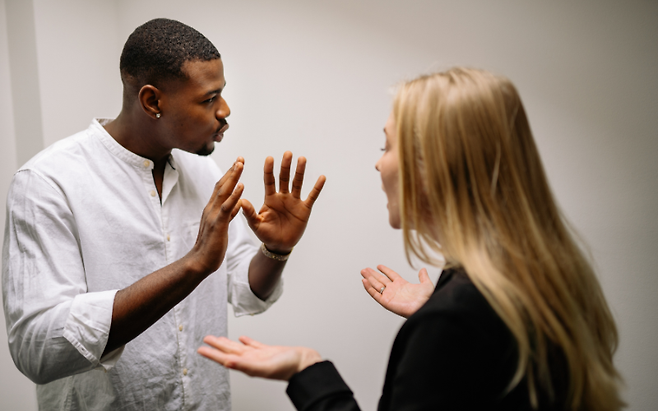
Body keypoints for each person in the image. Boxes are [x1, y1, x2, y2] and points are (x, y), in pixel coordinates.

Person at [197, 68, 625, 410]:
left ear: (432, 165)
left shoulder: (456, 318)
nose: (379, 166)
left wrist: (307, 370)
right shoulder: (536, 274)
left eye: (386, 147)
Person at [2, 18, 325, 411]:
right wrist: (192, 266)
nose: (225, 111)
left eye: (222, 94)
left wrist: (276, 250)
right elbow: (37, 348)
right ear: (153, 102)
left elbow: (245, 290)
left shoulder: (205, 173)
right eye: (209, 99)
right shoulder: (48, 183)